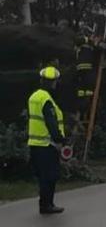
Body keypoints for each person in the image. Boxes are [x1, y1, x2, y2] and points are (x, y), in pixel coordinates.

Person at [27, 66, 66, 215]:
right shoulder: (46, 100)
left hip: (35, 143)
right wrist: (60, 140)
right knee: (50, 176)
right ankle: (47, 205)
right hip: (47, 144)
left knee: (42, 176)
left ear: (41, 80)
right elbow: (51, 122)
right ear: (54, 82)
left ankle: (45, 204)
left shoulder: (34, 97)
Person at [74, 24, 97, 117]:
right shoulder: (81, 39)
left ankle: (84, 105)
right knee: (86, 86)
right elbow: (79, 41)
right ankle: (83, 105)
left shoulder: (89, 43)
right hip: (83, 67)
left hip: (85, 68)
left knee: (85, 89)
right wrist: (89, 40)